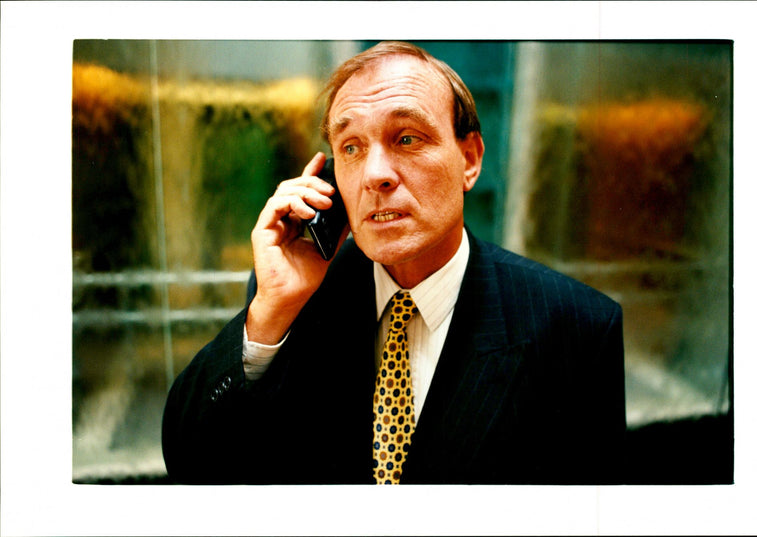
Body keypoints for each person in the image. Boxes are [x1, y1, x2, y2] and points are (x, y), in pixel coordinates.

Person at [162, 41, 626, 485]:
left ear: (469, 159)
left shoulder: (578, 328)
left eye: (406, 138)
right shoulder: (294, 301)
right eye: (351, 148)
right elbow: (192, 464)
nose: (375, 174)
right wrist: (268, 315)